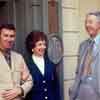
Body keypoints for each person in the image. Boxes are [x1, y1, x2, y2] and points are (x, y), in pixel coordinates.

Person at [69, 11, 100, 100]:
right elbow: (78, 71)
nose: (87, 25)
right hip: (81, 91)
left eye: (90, 22)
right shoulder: (82, 45)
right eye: (85, 22)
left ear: (99, 24)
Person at [0, 24, 33, 100]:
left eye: (12, 36)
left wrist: (20, 90)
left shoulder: (19, 58)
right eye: (5, 35)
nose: (9, 39)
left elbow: (29, 80)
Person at [25, 31, 60, 100]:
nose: (43, 47)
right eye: (40, 44)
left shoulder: (50, 63)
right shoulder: (26, 64)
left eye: (44, 44)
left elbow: (56, 87)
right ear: (32, 46)